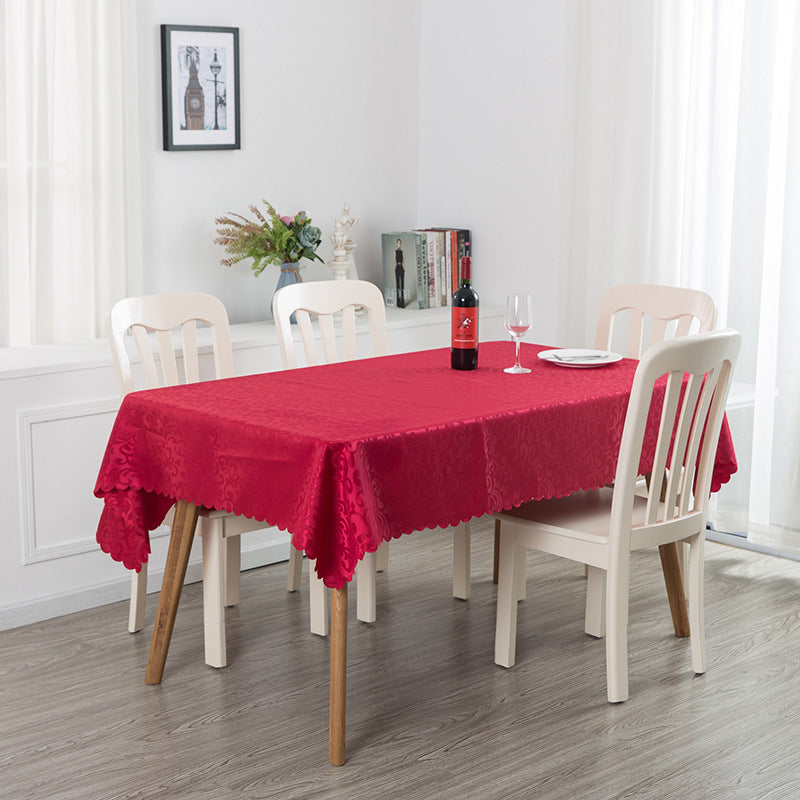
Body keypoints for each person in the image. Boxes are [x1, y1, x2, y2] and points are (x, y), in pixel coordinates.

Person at [394, 238, 405, 308]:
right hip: (397, 267)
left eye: (400, 243)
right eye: (398, 243)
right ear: (396, 244)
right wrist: (394, 268)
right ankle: (398, 302)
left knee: (402, 285)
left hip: (401, 267)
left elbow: (404, 260)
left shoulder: (402, 251)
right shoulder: (395, 251)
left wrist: (404, 268)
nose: (399, 244)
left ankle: (402, 302)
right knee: (397, 284)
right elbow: (394, 260)